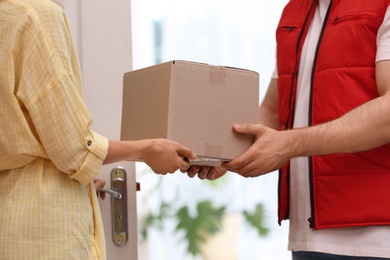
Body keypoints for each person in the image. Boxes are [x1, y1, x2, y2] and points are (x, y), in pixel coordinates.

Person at [188, 0, 390, 259]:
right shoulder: (294, 11)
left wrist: (289, 144)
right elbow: (273, 109)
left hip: (375, 238)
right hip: (305, 236)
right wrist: (226, 153)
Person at [0, 0, 196, 259]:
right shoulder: (37, 15)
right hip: (45, 228)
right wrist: (148, 149)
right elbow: (75, 148)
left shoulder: (8, 14)